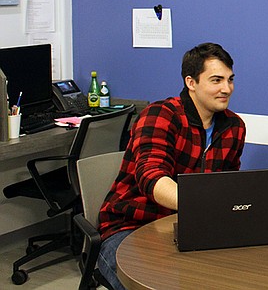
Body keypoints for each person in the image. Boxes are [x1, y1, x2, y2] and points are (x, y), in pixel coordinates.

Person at [96, 43, 246, 289]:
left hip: (191, 225)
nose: (226, 89)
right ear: (191, 82)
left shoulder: (234, 126)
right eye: (216, 80)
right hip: (131, 225)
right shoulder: (161, 115)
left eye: (230, 80)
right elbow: (151, 177)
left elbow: (226, 184)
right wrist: (202, 205)